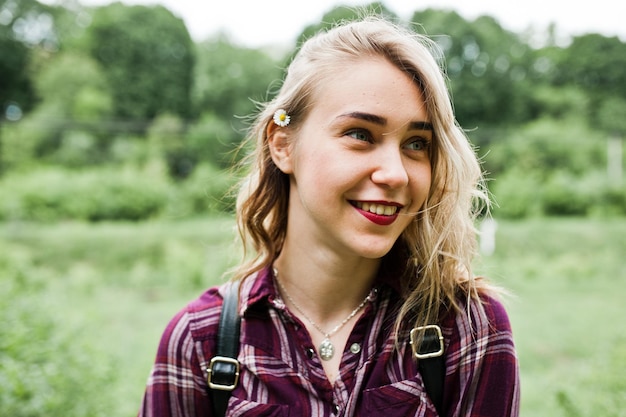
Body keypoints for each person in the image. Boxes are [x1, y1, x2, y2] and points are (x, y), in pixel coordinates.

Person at [139, 16, 519, 417]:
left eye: (416, 143)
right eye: (360, 134)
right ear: (282, 144)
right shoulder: (202, 342)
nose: (395, 173)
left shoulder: (466, 326)